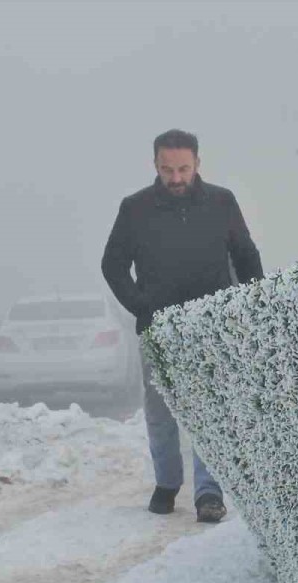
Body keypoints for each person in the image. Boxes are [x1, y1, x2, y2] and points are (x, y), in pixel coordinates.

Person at [101, 129, 263, 522]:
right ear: (155, 165)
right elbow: (113, 265)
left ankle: (209, 493)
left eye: (183, 169)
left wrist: (251, 306)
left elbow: (246, 256)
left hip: (211, 326)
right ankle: (167, 483)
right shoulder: (134, 209)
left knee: (209, 410)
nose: (175, 178)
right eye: (167, 169)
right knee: (160, 411)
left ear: (197, 164)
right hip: (158, 329)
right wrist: (142, 307)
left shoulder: (222, 203)